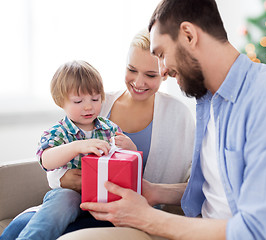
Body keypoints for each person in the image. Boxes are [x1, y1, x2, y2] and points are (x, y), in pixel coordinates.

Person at [58, 0, 266, 239]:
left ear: (189, 35)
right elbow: (219, 193)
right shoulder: (209, 102)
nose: (163, 70)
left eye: (161, 54)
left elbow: (262, 230)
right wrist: (153, 192)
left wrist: (148, 218)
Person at [1, 30, 195, 239]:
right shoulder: (96, 103)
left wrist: (132, 153)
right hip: (72, 201)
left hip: (120, 209)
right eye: (131, 69)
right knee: (23, 225)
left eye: (150, 75)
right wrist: (64, 178)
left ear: (165, 72)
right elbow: (52, 161)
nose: (138, 82)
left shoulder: (176, 116)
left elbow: (194, 180)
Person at [0, 60, 137, 240]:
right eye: (78, 101)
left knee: (135, 203)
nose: (88, 106)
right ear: (60, 101)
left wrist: (131, 147)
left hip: (104, 196)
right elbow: (46, 160)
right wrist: (77, 147)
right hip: (71, 196)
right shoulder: (59, 132)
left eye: (95, 99)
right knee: (65, 198)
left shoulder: (109, 128)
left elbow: (127, 160)